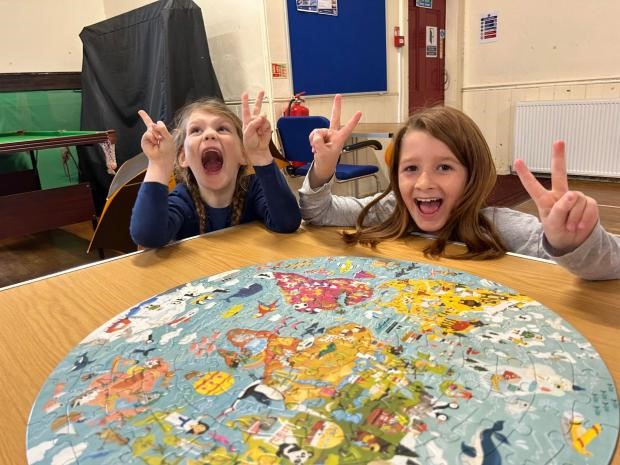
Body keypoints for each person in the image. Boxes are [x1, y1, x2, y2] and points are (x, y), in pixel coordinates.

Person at [299, 95, 619, 280]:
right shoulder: (391, 211)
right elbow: (319, 212)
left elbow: (609, 265)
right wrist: (325, 167)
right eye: (410, 168)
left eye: (444, 167)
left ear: (472, 173)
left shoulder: (501, 227)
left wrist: (572, 244)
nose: (424, 183)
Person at [130, 91, 301, 248]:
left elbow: (287, 222)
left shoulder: (253, 189)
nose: (209, 134)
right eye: (196, 130)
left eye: (222, 128)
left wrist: (260, 155)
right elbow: (148, 236)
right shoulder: (184, 199)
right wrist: (159, 165)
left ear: (242, 153)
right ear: (183, 157)